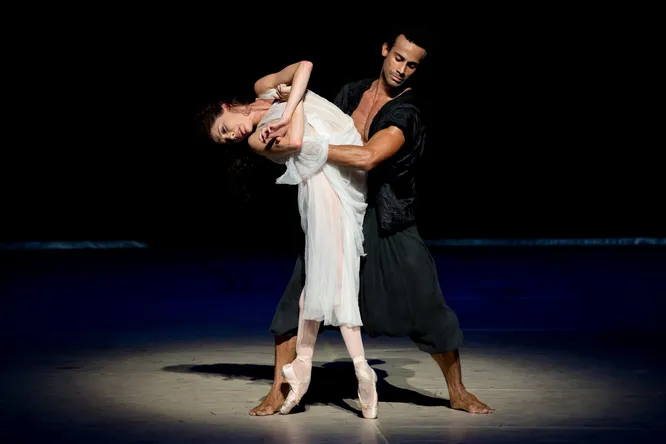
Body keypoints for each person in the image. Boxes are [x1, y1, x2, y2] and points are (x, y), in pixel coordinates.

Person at [249, 27, 495, 416]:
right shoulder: (353, 92)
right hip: (340, 208)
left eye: (412, 65)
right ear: (384, 51)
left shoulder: (406, 112)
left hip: (385, 216)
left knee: (425, 303)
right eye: (398, 58)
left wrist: (304, 146)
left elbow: (366, 158)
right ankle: (279, 389)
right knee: (297, 297)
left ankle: (457, 390)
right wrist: (283, 105)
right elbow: (313, 118)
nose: (402, 69)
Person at [197, 60, 379, 418]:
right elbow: (296, 142)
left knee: (327, 278)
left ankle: (322, 370)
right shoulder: (256, 140)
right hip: (322, 180)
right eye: (225, 140)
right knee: (328, 280)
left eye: (224, 129)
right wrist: (292, 106)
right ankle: (346, 369)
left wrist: (289, 98)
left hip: (344, 161)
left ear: (226, 107)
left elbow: (305, 66)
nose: (231, 137)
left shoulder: (263, 87)